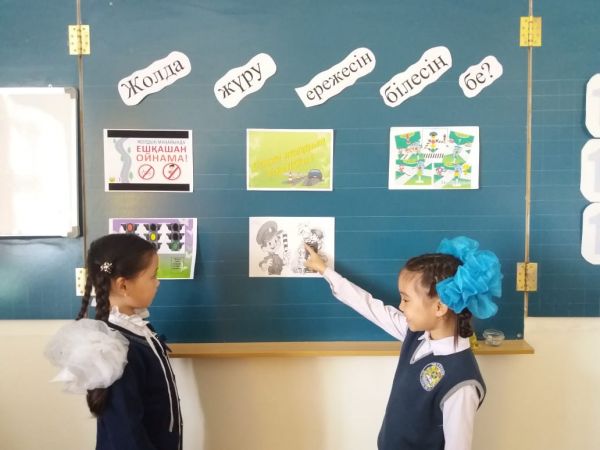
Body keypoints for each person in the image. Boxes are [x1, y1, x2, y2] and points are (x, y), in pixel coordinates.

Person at [304, 236, 502, 450]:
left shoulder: (462, 383)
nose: (400, 306)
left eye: (406, 299)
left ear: (439, 307)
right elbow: (370, 306)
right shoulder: (416, 335)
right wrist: (325, 270)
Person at [45, 233, 182, 450]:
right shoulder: (113, 349)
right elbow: (125, 431)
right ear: (123, 285)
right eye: (153, 276)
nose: (158, 283)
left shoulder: (137, 330)